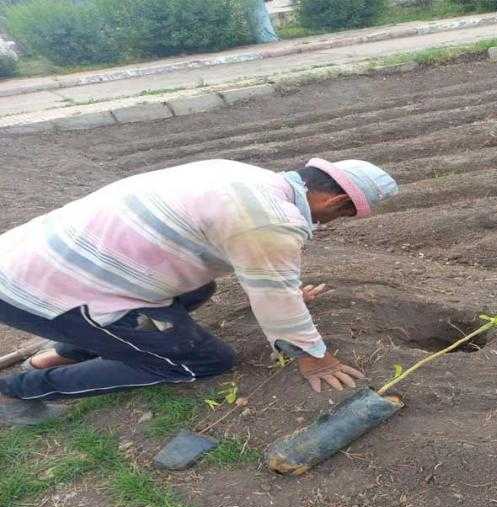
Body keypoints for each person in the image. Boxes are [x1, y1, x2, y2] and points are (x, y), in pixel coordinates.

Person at [0, 158, 398, 425]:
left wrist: (285, 296)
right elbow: (272, 290)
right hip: (42, 290)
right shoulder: (269, 218)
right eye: (345, 213)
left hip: (33, 261)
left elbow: (264, 272)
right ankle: (15, 393)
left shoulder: (245, 177)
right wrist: (316, 358)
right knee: (202, 360)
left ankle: (55, 357)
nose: (335, 221)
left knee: (196, 288)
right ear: (337, 200)